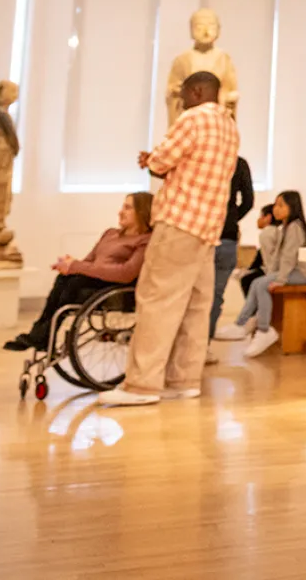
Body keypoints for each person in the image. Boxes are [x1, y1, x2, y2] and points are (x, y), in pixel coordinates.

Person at [99, 69, 241, 407]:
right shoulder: (230, 127)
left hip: (179, 222)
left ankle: (142, 386)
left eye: (183, 96)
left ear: (196, 92)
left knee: (157, 301)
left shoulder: (192, 120)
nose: (180, 103)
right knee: (195, 306)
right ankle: (184, 380)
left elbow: (161, 163)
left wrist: (151, 160)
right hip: (209, 229)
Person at [3, 192, 150, 352]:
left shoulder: (145, 241)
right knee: (65, 278)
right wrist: (70, 264)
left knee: (74, 280)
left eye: (127, 208)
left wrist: (76, 266)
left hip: (115, 288)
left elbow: (126, 273)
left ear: (142, 212)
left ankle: (41, 336)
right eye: (123, 206)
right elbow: (88, 262)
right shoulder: (110, 234)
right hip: (93, 281)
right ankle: (41, 334)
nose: (120, 212)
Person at [219, 191, 306, 357]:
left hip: (302, 273)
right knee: (258, 282)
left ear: (293, 207)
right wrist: (273, 274)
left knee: (261, 284)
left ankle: (263, 329)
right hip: (292, 272)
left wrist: (280, 279)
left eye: (281, 205)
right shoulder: (286, 228)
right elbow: (278, 257)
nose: (276, 209)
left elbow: (289, 257)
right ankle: (242, 324)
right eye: (275, 205)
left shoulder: (295, 228)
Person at [209, 153, 255, 347]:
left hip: (203, 233)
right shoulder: (239, 162)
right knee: (216, 295)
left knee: (194, 295)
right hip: (227, 235)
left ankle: (189, 347)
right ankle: (205, 346)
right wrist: (232, 217)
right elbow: (248, 201)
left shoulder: (206, 158)